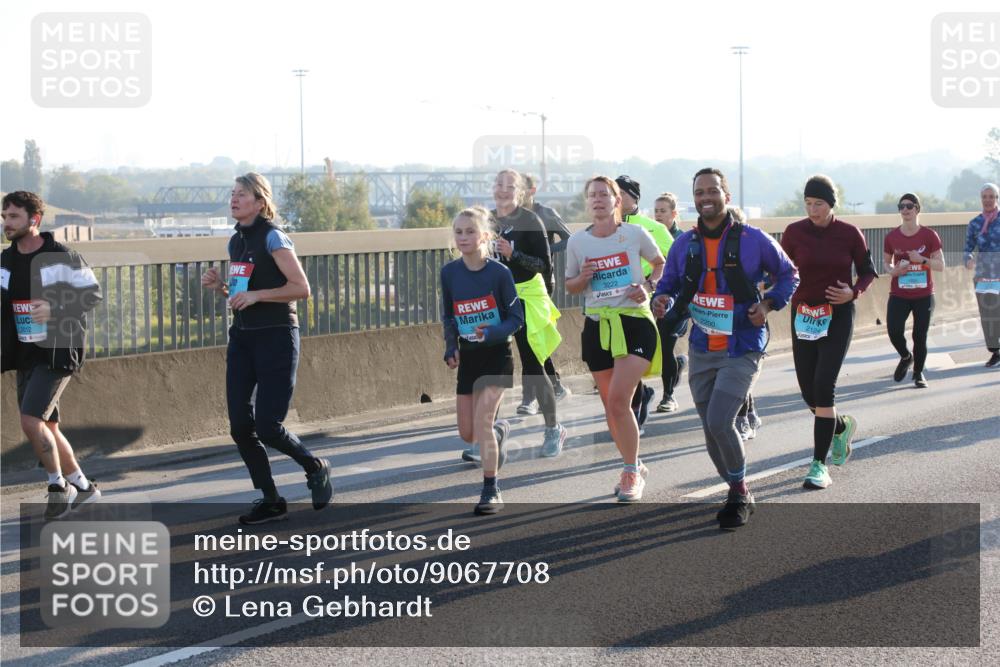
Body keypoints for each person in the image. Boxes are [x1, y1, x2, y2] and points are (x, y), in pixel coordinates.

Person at [653, 168, 798, 529]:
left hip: (743, 345)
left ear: (726, 196)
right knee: (710, 428)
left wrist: (766, 306)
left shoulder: (754, 238)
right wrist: (661, 301)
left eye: (712, 191)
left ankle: (739, 492)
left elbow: (789, 274)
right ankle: (736, 485)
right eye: (699, 192)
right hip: (702, 344)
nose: (706, 197)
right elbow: (668, 285)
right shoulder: (684, 244)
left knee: (721, 419)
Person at [201, 173, 332, 525]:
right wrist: (221, 288)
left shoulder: (274, 237)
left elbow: (300, 288)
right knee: (241, 427)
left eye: (241, 194)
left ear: (260, 202)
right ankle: (271, 498)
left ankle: (314, 466)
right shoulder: (235, 241)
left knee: (268, 426)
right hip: (243, 338)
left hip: (277, 336)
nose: (234, 199)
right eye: (231, 194)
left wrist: (257, 295)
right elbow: (242, 294)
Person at [1, 191, 103, 520]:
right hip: (23, 353)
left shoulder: (61, 255)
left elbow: (92, 294)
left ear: (34, 219)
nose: (6, 223)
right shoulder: (5, 260)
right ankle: (85, 488)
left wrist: (55, 307)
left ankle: (58, 486)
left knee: (31, 421)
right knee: (49, 426)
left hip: (58, 350)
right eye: (4, 217)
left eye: (13, 217)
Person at [566, 176, 664, 502]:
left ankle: (630, 472)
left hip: (634, 323)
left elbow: (660, 264)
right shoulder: (578, 243)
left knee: (621, 401)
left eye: (604, 195)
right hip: (598, 326)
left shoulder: (634, 234)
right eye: (592, 195)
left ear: (616, 200)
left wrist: (647, 286)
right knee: (612, 408)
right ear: (587, 202)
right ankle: (635, 461)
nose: (598, 200)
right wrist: (581, 279)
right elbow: (570, 285)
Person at [780, 174, 877, 490]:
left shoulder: (849, 233)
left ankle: (819, 465)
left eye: (818, 203)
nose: (813, 210)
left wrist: (853, 293)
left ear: (831, 204)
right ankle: (840, 426)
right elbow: (781, 269)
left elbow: (867, 272)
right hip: (804, 316)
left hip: (837, 315)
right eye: (808, 203)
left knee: (824, 386)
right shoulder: (794, 232)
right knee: (809, 391)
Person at [441, 207, 524, 514]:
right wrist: (451, 347)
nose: (464, 237)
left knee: (481, 422)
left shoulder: (499, 273)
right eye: (459, 232)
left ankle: (491, 489)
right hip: (469, 358)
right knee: (468, 434)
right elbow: (448, 315)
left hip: (497, 355)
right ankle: (498, 431)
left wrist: (492, 331)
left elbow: (517, 318)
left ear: (485, 236)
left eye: (470, 231)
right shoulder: (449, 273)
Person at [491, 169, 567, 457]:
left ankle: (552, 428)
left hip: (527, 296)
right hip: (497, 300)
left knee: (534, 367)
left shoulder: (530, 220)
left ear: (520, 191)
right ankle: (490, 433)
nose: (503, 190)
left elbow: (544, 265)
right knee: (494, 366)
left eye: (510, 186)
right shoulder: (486, 220)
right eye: (499, 184)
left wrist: (514, 255)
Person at [616, 176, 674, 432]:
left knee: (634, 360)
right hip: (611, 307)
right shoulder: (604, 228)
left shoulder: (654, 228)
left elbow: (675, 262)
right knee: (619, 362)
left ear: (634, 197)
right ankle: (637, 402)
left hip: (645, 304)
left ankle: (636, 413)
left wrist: (652, 285)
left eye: (621, 194)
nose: (616, 199)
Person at [884, 193, 945, 388]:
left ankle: (918, 374)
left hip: (924, 295)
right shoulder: (892, 237)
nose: (905, 210)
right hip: (899, 294)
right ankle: (905, 356)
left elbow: (941, 265)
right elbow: (885, 263)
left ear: (917, 209)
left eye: (909, 206)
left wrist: (922, 260)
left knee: (920, 336)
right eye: (901, 206)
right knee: (894, 331)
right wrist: (894, 271)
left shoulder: (929, 235)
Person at [523, 173, 571, 400]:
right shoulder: (506, 216)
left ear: (532, 191)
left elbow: (569, 238)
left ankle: (532, 397)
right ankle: (554, 385)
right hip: (516, 284)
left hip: (542, 281)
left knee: (533, 334)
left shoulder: (545, 213)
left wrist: (546, 251)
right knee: (530, 336)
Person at [653, 192, 689, 413]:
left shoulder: (683, 240)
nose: (658, 215)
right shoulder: (648, 235)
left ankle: (668, 396)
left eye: (663, 211)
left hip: (679, 304)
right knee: (659, 348)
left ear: (674, 214)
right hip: (654, 300)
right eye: (656, 211)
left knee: (666, 347)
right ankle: (679, 364)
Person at [964, 182, 1000, 368]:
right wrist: (968, 259)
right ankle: (995, 351)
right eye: (984, 197)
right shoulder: (975, 223)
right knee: (988, 315)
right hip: (983, 275)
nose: (988, 200)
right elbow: (967, 248)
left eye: (991, 197)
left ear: (997, 199)